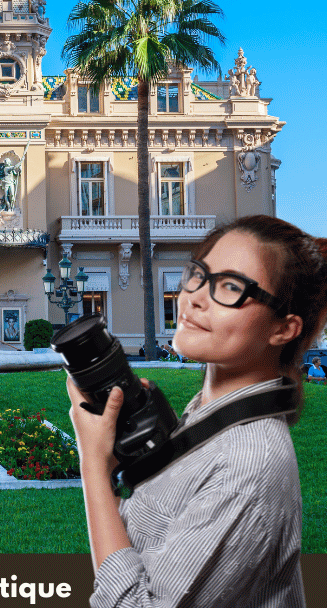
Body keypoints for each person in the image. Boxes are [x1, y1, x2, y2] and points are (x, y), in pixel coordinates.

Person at [68, 215, 327, 607]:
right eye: (199, 274)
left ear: (283, 329)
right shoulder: (209, 417)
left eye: (230, 287)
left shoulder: (248, 464)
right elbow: (153, 550)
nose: (193, 297)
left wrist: (93, 471)